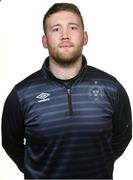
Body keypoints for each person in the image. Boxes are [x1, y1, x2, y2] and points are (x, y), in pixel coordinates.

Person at [1, 3, 132, 179]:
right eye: (56, 29)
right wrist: (37, 170)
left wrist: (102, 163)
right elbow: (10, 143)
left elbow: (123, 135)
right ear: (45, 40)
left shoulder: (111, 87)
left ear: (85, 37)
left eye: (72, 27)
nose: (64, 35)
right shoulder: (22, 94)